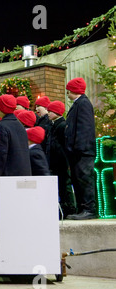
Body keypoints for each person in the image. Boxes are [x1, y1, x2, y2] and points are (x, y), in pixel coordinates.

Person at [64, 77, 97, 220]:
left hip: (83, 151)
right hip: (78, 151)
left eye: (68, 91)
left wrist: (78, 148)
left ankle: (89, 209)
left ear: (74, 90)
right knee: (78, 180)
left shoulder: (83, 104)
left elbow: (85, 128)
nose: (67, 93)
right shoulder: (78, 104)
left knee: (84, 179)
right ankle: (82, 208)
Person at [46, 100, 76, 218]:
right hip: (56, 161)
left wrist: (65, 161)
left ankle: (69, 208)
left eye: (50, 111)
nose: (48, 113)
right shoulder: (54, 125)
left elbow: (63, 146)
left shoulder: (62, 125)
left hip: (61, 162)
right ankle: (65, 208)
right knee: (61, 186)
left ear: (58, 112)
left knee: (65, 186)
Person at [0, 94, 32, 176]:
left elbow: (1, 154)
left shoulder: (2, 126)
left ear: (2, 109)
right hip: (23, 173)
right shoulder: (19, 125)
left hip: (8, 176)